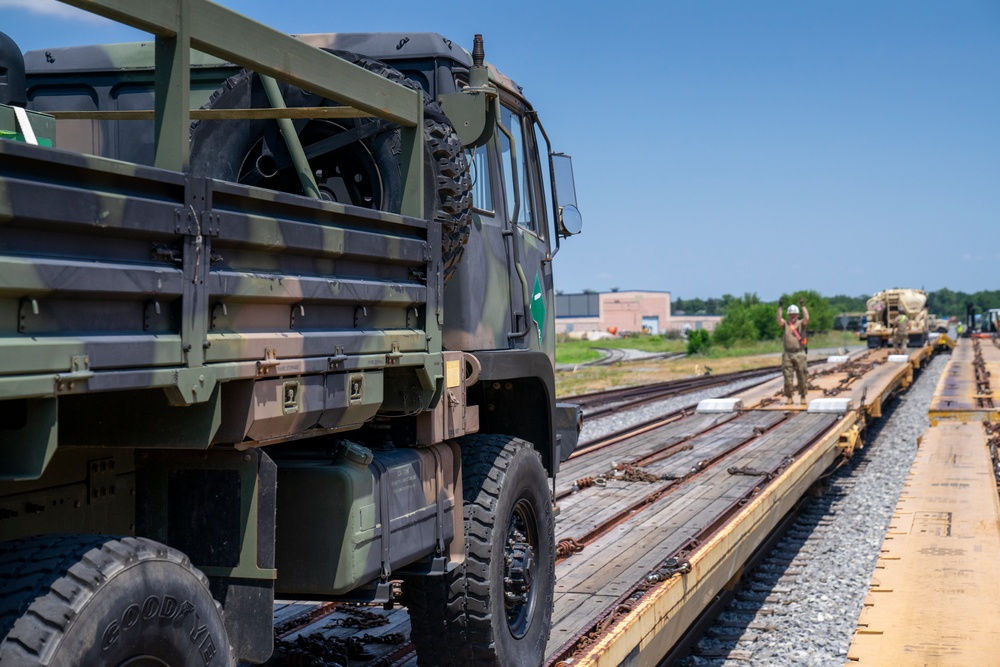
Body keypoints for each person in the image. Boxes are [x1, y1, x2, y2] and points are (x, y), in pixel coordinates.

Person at [777, 296, 809, 404]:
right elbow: (778, 319)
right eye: (791, 314)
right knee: (787, 377)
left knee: (802, 376)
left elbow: (807, 318)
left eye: (794, 314)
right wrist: (780, 306)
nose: (793, 316)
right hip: (788, 354)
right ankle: (789, 397)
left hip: (799, 353)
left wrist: (803, 305)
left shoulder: (801, 324)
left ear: (798, 315)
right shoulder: (785, 325)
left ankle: (803, 396)